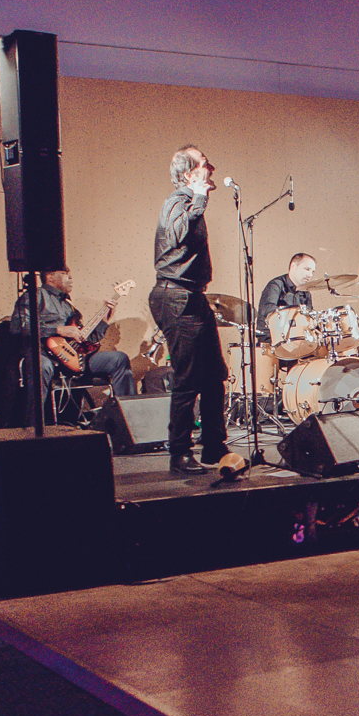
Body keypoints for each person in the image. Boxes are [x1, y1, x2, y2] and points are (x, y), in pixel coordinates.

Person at [151, 146, 229, 474]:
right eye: (204, 164)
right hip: (176, 297)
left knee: (214, 375)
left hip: (192, 297)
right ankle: (179, 453)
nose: (212, 168)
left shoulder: (188, 201)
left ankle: (214, 446)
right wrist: (198, 197)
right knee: (187, 379)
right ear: (189, 174)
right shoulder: (177, 201)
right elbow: (176, 235)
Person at [20, 269, 135, 406]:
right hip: (44, 353)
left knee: (119, 359)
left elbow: (87, 341)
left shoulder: (70, 307)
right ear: (50, 276)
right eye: (64, 273)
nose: (70, 277)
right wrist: (58, 330)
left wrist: (105, 319)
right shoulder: (35, 295)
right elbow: (20, 327)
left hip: (75, 358)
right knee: (41, 367)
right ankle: (35, 419)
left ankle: (129, 410)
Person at [255, 252, 316, 346]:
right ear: (293, 266)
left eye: (312, 271)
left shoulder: (306, 293)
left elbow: (309, 317)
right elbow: (267, 309)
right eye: (307, 269)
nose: (310, 275)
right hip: (272, 340)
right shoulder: (276, 285)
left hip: (296, 340)